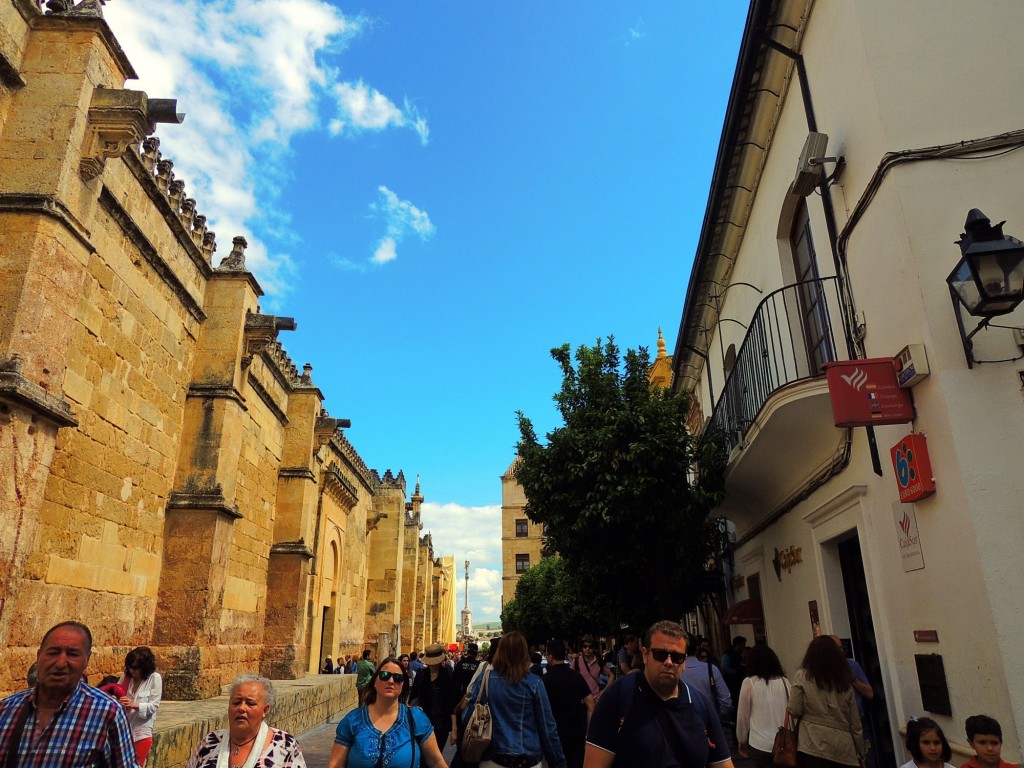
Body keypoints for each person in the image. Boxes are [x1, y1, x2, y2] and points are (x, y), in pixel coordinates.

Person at [584, 619, 734, 768]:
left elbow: (722, 763)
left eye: (677, 657)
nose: (669, 662)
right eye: (660, 654)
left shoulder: (700, 705)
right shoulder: (617, 699)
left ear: (684, 662)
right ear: (645, 655)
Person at [0, 621, 138, 768]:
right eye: (53, 652)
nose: (60, 663)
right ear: (39, 656)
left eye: (72, 654)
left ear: (86, 661)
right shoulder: (6, 709)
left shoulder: (107, 713)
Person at [461, 630, 566, 768]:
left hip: (493, 759)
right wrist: (558, 762)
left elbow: (467, 716)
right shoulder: (535, 683)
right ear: (524, 653)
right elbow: (547, 728)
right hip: (528, 759)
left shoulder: (485, 679)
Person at [329, 657, 446, 768]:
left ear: (402, 685)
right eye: (384, 676)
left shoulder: (416, 718)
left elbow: (436, 762)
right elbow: (336, 765)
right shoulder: (353, 720)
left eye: (397, 678)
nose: (391, 681)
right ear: (375, 681)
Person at [186, 674, 305, 768]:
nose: (242, 708)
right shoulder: (210, 743)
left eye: (250, 703)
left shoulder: (285, 746)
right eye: (236, 702)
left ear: (265, 709)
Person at [789, 636, 865, 768]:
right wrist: (861, 754)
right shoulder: (845, 682)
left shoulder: (802, 676)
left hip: (811, 744)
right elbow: (855, 725)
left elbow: (795, 709)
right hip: (843, 748)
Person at [542, 639, 594, 768]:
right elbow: (591, 704)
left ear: (551, 656)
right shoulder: (576, 676)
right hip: (577, 734)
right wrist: (588, 732)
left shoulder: (545, 680)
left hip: (555, 735)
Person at [736, 644, 790, 768]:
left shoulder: (749, 683)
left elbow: (743, 716)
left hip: (759, 744)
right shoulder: (784, 681)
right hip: (783, 744)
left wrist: (741, 740)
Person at [118, 646, 163, 766]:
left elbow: (154, 705)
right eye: (130, 667)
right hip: (123, 731)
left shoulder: (154, 678)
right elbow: (114, 694)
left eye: (136, 668)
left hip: (142, 731)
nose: (132, 670)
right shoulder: (126, 679)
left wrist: (134, 705)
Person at [409, 642, 458, 751]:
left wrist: (454, 729)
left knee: (436, 755)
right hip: (422, 722)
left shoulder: (448, 676)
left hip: (441, 724)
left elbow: (452, 704)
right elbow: (413, 699)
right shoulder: (421, 675)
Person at [680, 632, 731, 719]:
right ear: (697, 649)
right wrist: (716, 716)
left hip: (683, 722)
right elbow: (726, 700)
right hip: (709, 720)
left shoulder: (674, 672)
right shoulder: (711, 669)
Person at [721, 635, 747, 724]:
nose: (744, 647)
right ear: (737, 645)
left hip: (738, 683)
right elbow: (725, 668)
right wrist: (737, 672)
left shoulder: (739, 654)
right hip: (731, 685)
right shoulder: (727, 654)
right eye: (743, 645)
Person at [572, 635, 607, 701]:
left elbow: (611, 675)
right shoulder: (576, 660)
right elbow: (570, 677)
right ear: (582, 647)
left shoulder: (598, 661)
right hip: (581, 700)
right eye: (585, 646)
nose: (587, 649)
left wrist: (603, 691)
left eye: (590, 647)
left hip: (595, 699)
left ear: (594, 648)